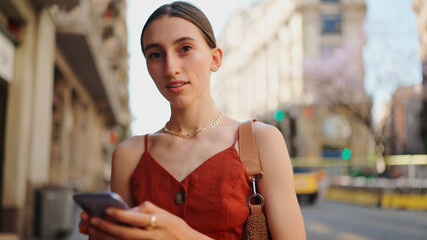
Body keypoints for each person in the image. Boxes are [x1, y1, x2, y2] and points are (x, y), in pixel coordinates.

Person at [80, 1, 306, 239]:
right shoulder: (129, 154)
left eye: (185, 48)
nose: (171, 68)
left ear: (215, 59)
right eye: (156, 54)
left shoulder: (260, 140)